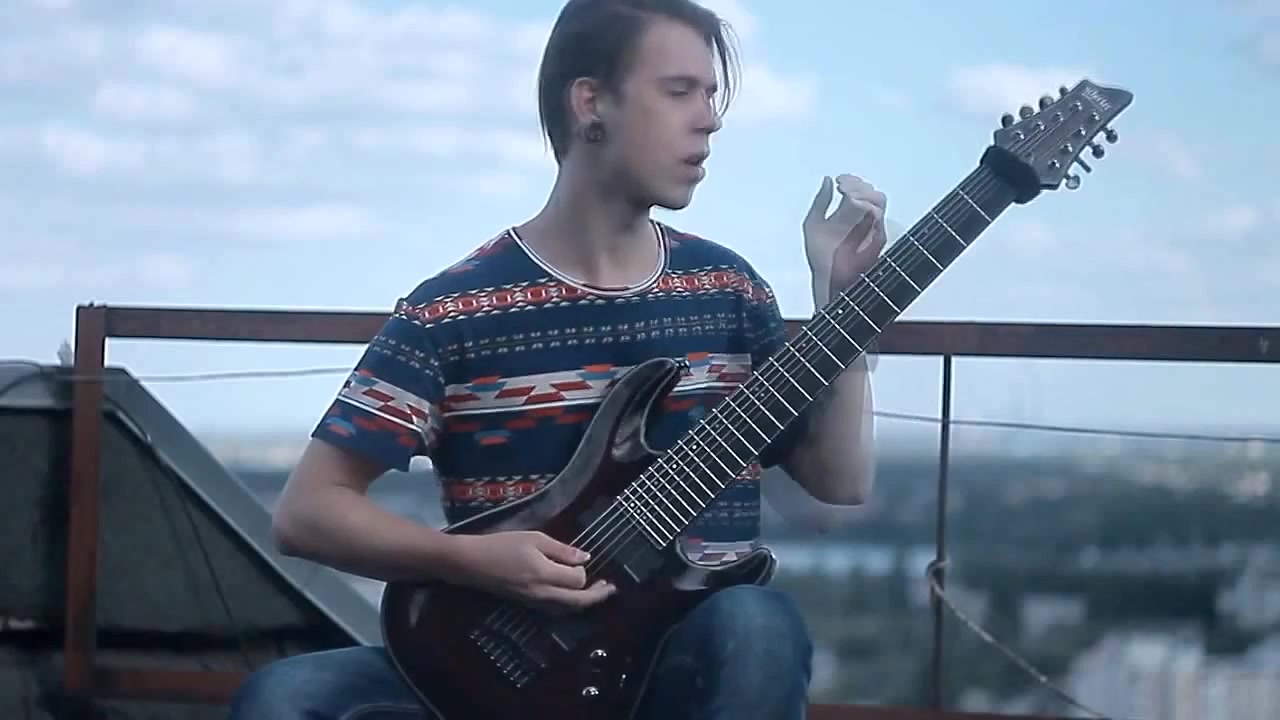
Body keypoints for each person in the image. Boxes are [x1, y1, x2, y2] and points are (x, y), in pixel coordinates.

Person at [228, 0, 885, 718]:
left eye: (710, 94)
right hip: (495, 676)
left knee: (759, 625)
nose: (709, 120)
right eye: (679, 91)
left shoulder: (728, 292)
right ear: (590, 102)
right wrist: (471, 560)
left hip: (670, 675)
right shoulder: (454, 311)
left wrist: (850, 310)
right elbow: (307, 513)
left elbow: (839, 481)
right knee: (283, 696)